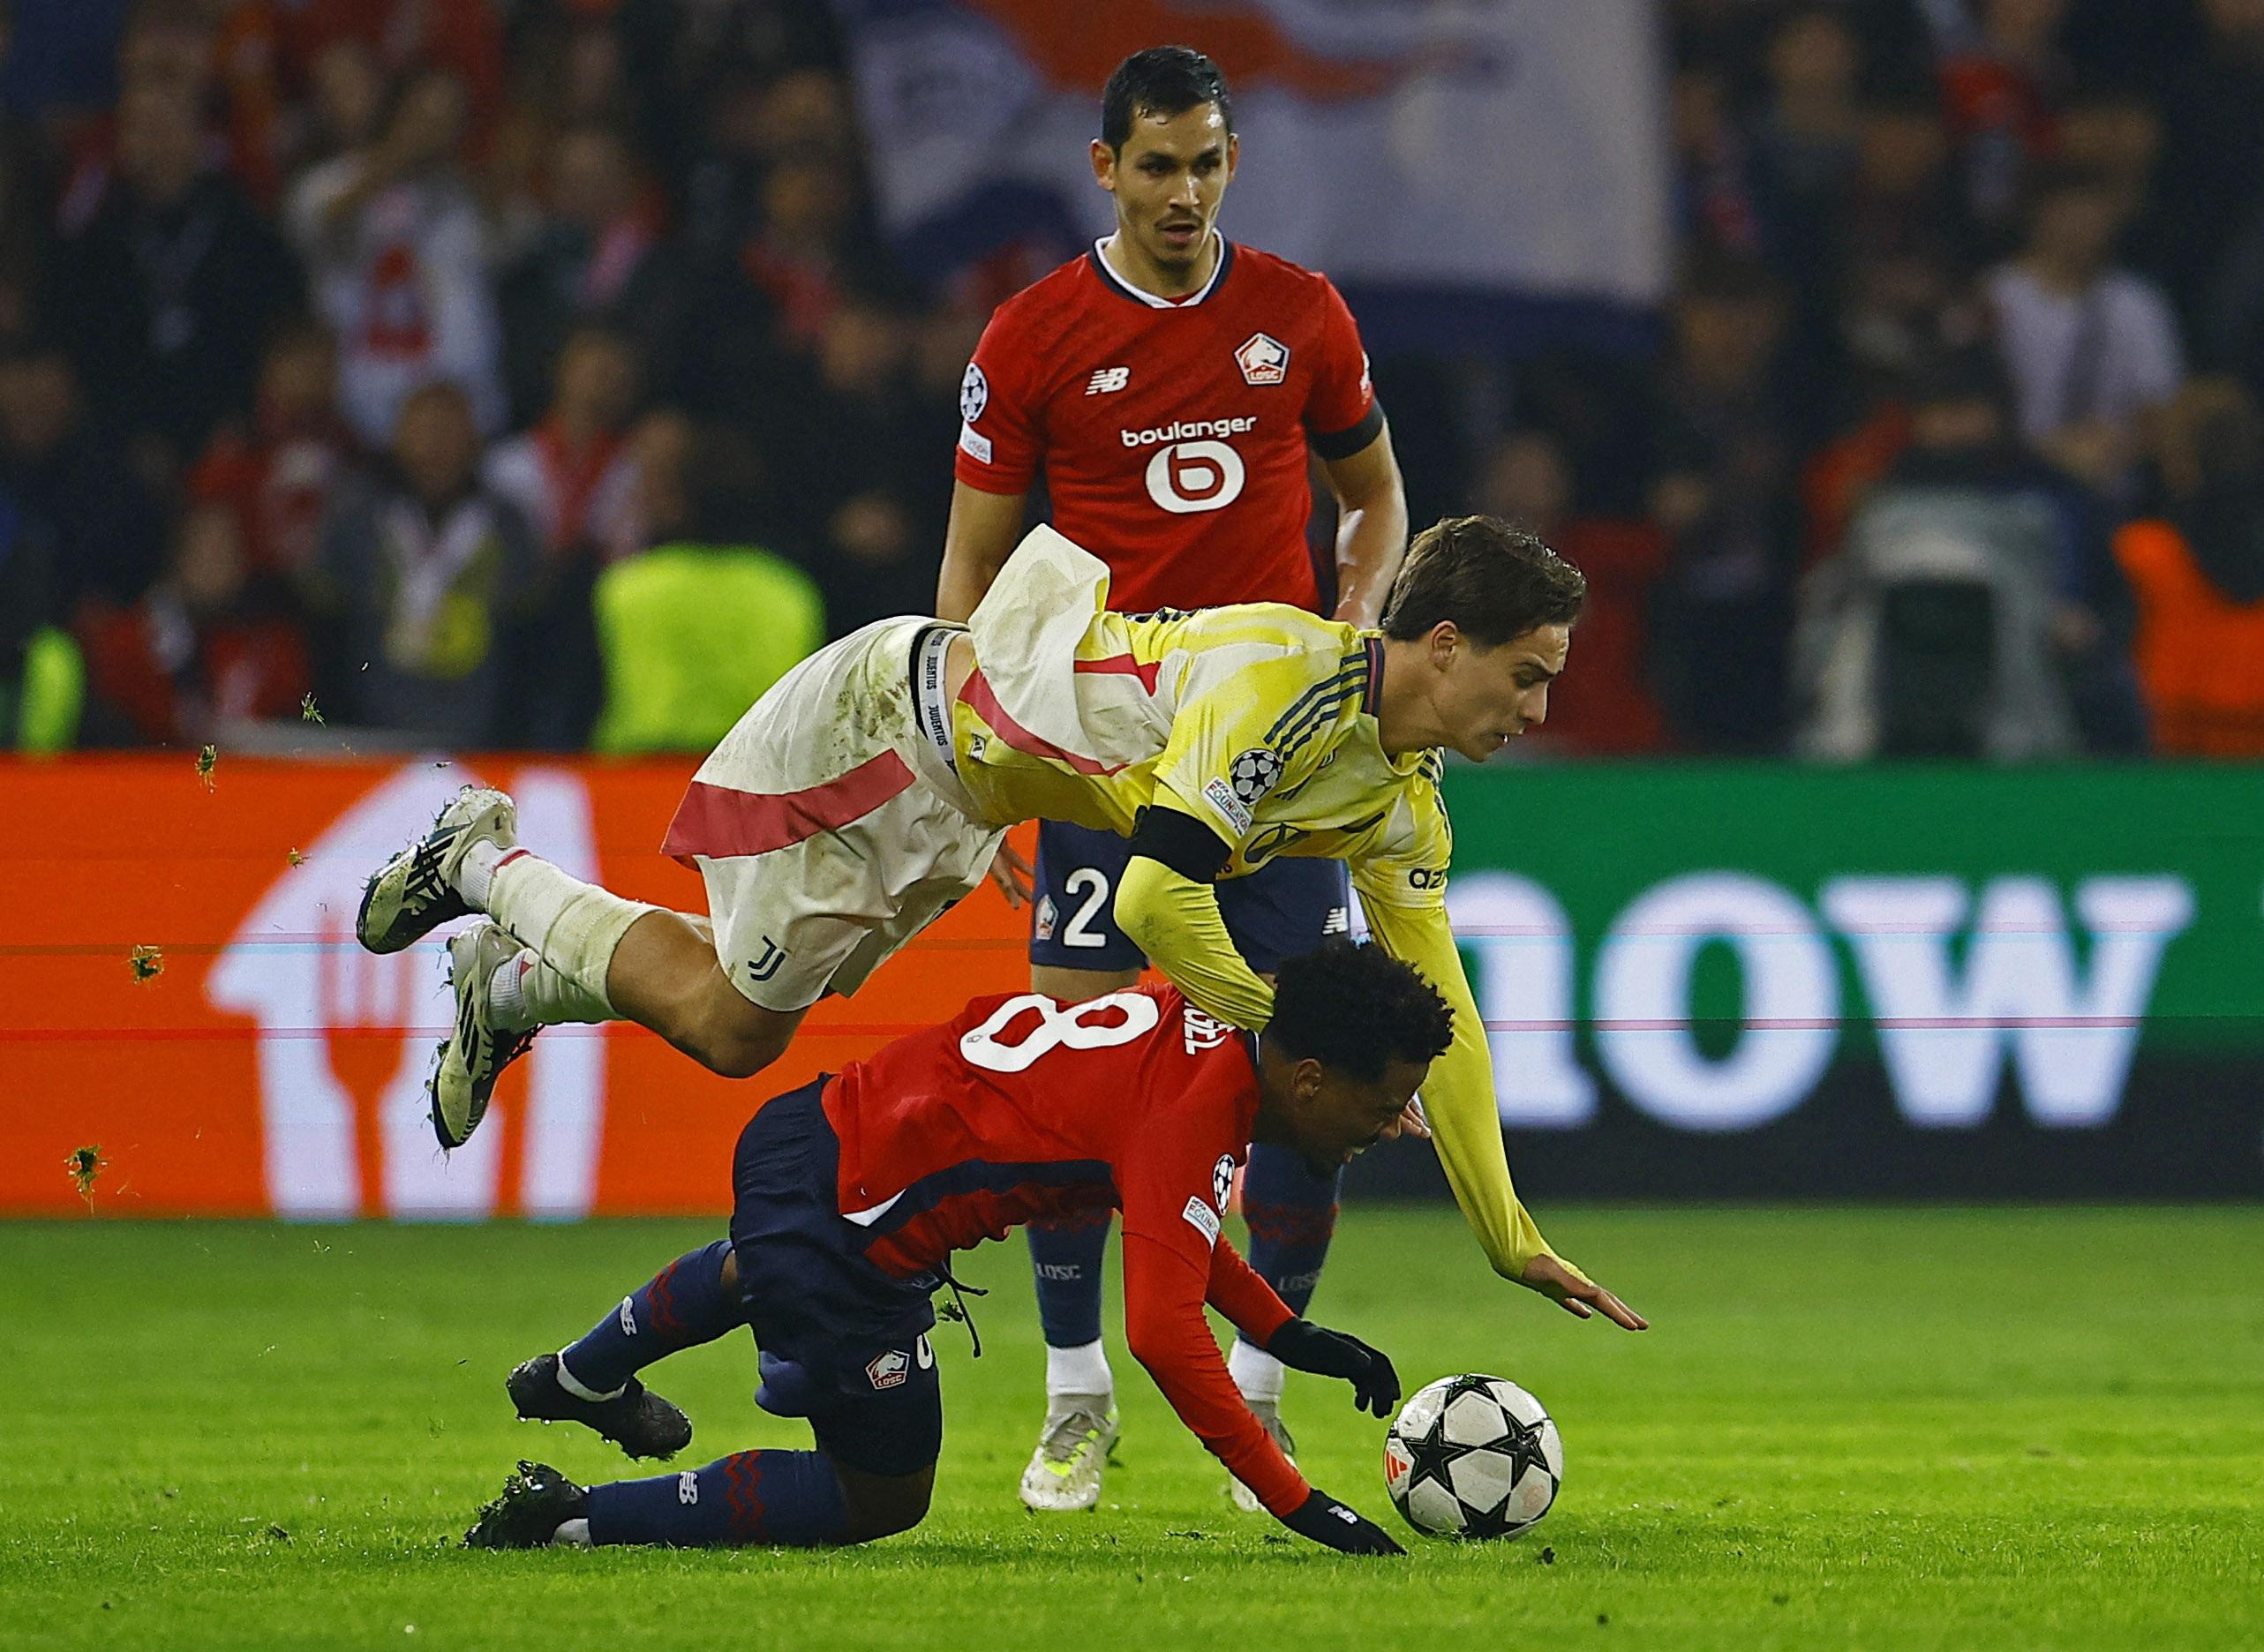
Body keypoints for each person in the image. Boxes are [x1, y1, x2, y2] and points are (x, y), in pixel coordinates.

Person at [353, 514, 1646, 1341]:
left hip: (967, 797)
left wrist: (1506, 1233)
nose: (1537, 709)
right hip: (893, 724)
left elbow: (1449, 1014)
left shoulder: (1402, 803)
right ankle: (486, 862)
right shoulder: (1285, 687)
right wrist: (1281, 1025)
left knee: (733, 1016)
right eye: (1525, 674)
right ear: (1438, 643)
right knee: (728, 1027)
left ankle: (504, 986)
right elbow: (1153, 899)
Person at [931, 45, 1410, 1512]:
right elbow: (971, 565)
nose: (1186, 193)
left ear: (1230, 160)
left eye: (1207, 162)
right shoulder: (1032, 337)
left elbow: (1376, 497)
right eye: (1158, 166)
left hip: (1276, 768)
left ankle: (1260, 1396)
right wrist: (983, 765)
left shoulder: (1299, 315)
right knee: (1078, 1083)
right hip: (1110, 761)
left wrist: (1352, 647)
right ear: (1105, 170)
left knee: (1312, 1080)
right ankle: (1077, 1391)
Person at [461, 943, 1456, 1556]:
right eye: (1381, 1106)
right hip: (848, 1235)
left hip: (813, 1129)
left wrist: (1291, 1335)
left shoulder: (1209, 1018)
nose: (1387, 1127)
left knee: (755, 1262)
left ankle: (584, 1377)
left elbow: (1178, 1224)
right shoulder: (1200, 1116)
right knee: (880, 1494)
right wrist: (1297, 1502)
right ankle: (564, 1518)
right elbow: (1159, 1329)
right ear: (1313, 1078)